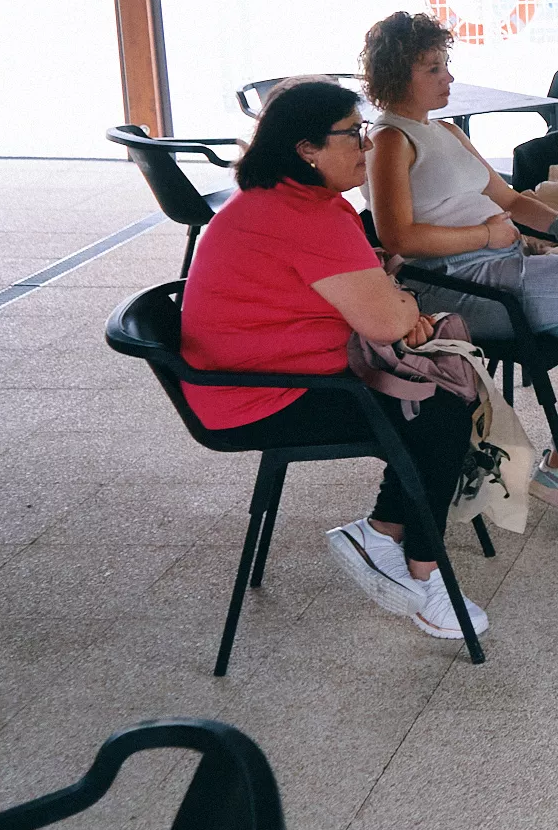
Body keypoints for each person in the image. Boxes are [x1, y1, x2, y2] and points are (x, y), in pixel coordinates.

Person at [180, 80, 488, 641]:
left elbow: (362, 282)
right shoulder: (306, 215)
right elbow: (387, 322)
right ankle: (425, 572)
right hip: (259, 396)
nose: (367, 146)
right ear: (307, 149)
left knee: (428, 404)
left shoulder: (287, 199)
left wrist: (384, 295)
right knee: (441, 408)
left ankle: (383, 533)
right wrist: (401, 304)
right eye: (353, 134)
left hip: (262, 376)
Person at [361, 11, 558, 522]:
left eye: (445, 64)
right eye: (433, 68)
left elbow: (509, 199)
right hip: (456, 284)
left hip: (503, 267)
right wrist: (486, 235)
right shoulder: (389, 140)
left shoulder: (445, 130)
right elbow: (396, 236)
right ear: (397, 76)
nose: (448, 77)